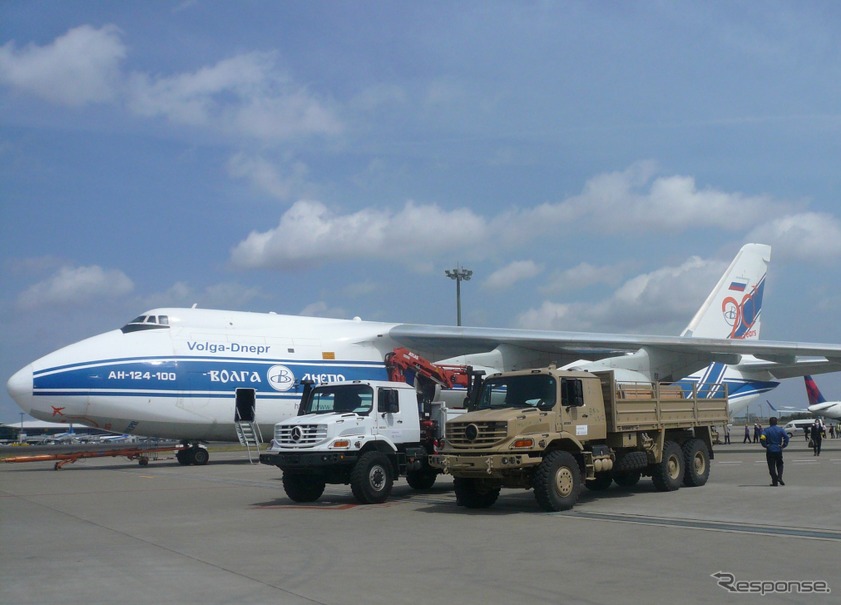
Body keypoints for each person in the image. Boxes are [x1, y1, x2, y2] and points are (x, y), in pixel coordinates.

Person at [760, 417, 789, 487]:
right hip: (778, 449)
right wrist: (783, 445)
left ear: (769, 422)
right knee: (780, 464)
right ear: (776, 422)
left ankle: (775, 481)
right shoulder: (780, 430)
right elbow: (786, 437)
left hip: (770, 450)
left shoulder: (766, 430)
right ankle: (779, 477)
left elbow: (762, 437)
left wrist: (765, 445)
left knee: (771, 467)